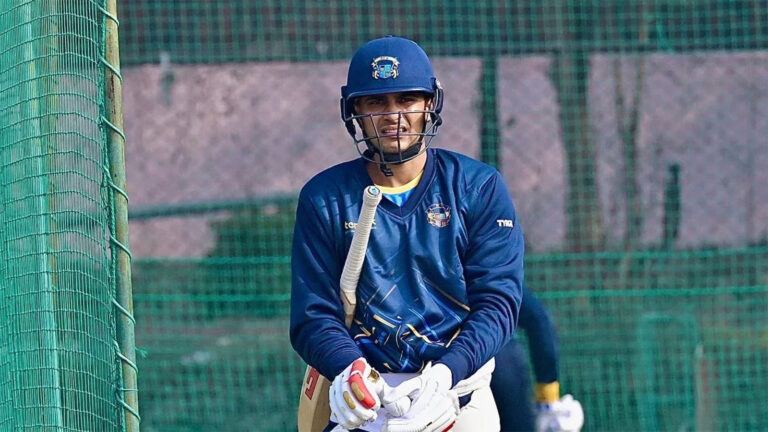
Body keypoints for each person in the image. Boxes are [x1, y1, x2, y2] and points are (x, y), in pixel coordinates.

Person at [290, 35, 525, 432]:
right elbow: (313, 315)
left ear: (429, 104)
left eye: (406, 100)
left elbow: (499, 304)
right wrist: (347, 370)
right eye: (376, 102)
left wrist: (447, 375)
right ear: (355, 112)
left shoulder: (477, 187)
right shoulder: (324, 197)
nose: (392, 114)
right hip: (361, 400)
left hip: (455, 393)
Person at [491, 286, 585, 432]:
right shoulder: (496, 272)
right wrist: (548, 399)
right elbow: (539, 320)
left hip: (451, 371)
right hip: (502, 367)